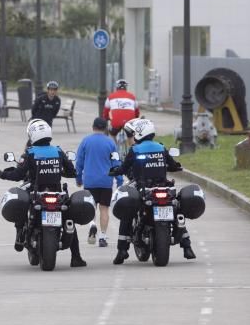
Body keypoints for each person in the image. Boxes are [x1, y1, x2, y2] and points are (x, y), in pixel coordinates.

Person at [0, 119, 86, 267]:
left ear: (32, 135)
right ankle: (76, 257)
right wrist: (58, 170)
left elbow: (18, 175)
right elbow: (72, 172)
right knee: (68, 219)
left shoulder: (30, 153)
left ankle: (20, 236)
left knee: (20, 203)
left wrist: (0, 174)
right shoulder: (58, 151)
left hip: (36, 193)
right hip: (57, 194)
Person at [109, 118, 194, 263]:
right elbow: (173, 165)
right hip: (164, 188)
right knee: (176, 211)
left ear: (138, 133)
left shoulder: (135, 150)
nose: (131, 137)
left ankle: (122, 250)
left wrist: (115, 170)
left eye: (132, 134)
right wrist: (176, 166)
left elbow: (123, 168)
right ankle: (187, 247)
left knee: (127, 214)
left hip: (143, 189)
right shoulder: (161, 147)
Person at [75, 117, 121, 249]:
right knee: (104, 209)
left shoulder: (86, 141)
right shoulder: (111, 143)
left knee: (91, 207)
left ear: (93, 127)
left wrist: (78, 179)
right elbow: (116, 163)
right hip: (106, 181)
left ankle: (92, 225)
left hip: (90, 181)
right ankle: (102, 236)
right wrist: (119, 181)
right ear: (106, 128)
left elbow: (79, 162)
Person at [103, 79, 140, 150]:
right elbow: (137, 112)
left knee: (112, 135)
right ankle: (134, 153)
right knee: (131, 137)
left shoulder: (110, 97)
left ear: (116, 88)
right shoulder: (132, 97)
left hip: (115, 122)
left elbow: (105, 112)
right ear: (126, 88)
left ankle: (114, 152)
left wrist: (107, 118)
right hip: (129, 123)